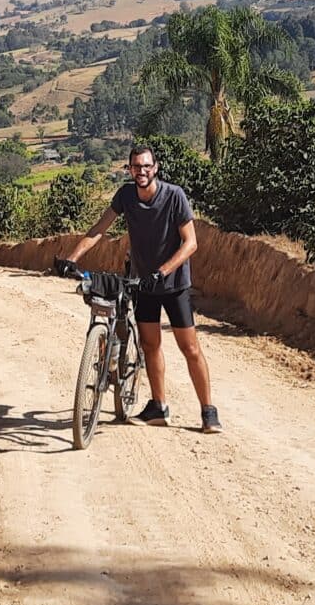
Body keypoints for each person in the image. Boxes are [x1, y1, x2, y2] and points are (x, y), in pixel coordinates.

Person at [64, 143, 220, 433]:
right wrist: (71, 258)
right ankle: (159, 407)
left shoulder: (174, 196)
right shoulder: (125, 195)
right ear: (130, 169)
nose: (142, 171)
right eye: (136, 167)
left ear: (155, 168)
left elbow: (191, 243)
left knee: (190, 348)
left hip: (173, 285)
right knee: (150, 346)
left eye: (147, 166)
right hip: (143, 284)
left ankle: (208, 411)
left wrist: (162, 272)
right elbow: (100, 228)